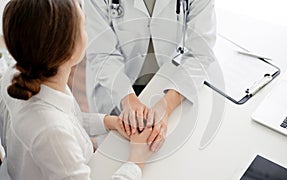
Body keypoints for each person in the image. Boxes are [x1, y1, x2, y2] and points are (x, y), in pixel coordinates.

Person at [0, 0, 152, 179]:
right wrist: (136, 161)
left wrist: (109, 122)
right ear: (69, 48)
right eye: (83, 25)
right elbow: (57, 130)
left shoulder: (19, 75)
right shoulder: (51, 131)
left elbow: (68, 121)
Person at [85, 0, 216, 152]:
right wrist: (127, 98)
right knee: (112, 155)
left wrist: (166, 105)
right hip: (113, 85)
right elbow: (102, 53)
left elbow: (200, 53)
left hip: (168, 86)